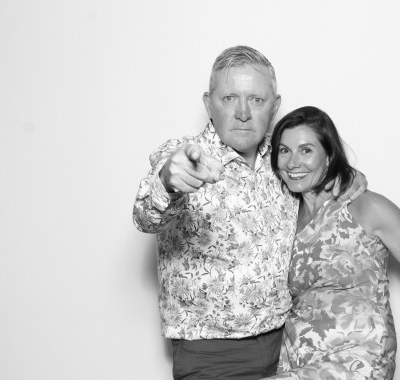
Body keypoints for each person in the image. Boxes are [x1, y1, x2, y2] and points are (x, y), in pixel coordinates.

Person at [132, 46, 366, 379]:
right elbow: (146, 216)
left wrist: (348, 176)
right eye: (229, 98)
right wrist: (168, 182)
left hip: (290, 345)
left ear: (275, 106)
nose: (243, 112)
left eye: (256, 100)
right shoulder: (184, 156)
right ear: (208, 104)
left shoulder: (285, 159)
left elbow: (324, 177)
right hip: (213, 355)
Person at [263, 106, 400, 379]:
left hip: (357, 359)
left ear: (329, 156)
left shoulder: (366, 207)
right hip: (295, 359)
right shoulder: (282, 216)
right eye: (284, 150)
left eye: (306, 150)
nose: (292, 162)